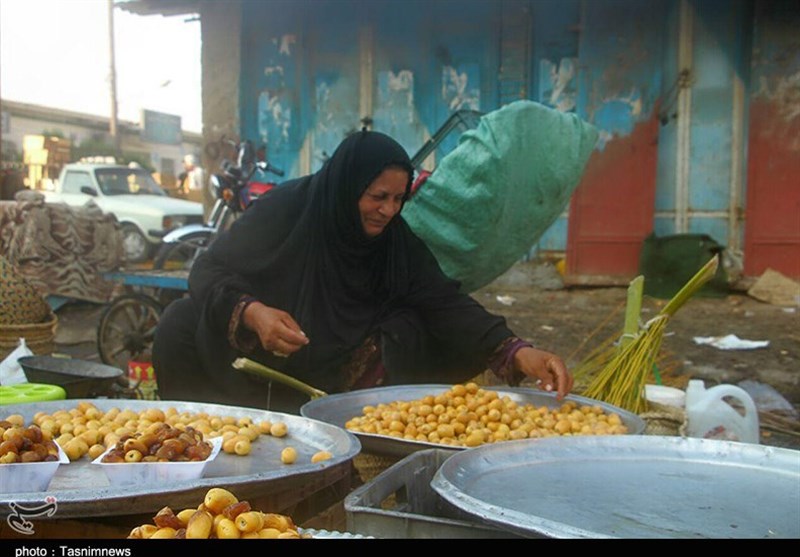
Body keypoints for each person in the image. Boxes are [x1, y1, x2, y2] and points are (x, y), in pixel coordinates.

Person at [152, 130, 573, 412]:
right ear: (348, 186)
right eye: (377, 197)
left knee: (408, 325)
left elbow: (442, 300)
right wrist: (252, 312)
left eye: (398, 198)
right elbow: (209, 268)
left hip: (332, 386)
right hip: (249, 371)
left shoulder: (393, 241)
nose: (388, 211)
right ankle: (198, 448)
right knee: (179, 322)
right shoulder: (287, 210)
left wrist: (518, 352)